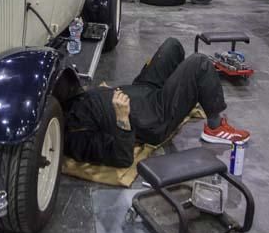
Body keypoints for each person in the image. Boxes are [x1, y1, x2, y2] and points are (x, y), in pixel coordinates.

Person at [64, 38, 250, 168]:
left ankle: (183, 90)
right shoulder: (73, 138)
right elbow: (121, 158)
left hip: (140, 90)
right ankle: (215, 128)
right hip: (152, 117)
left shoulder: (59, 105)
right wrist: (122, 119)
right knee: (199, 63)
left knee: (172, 45)